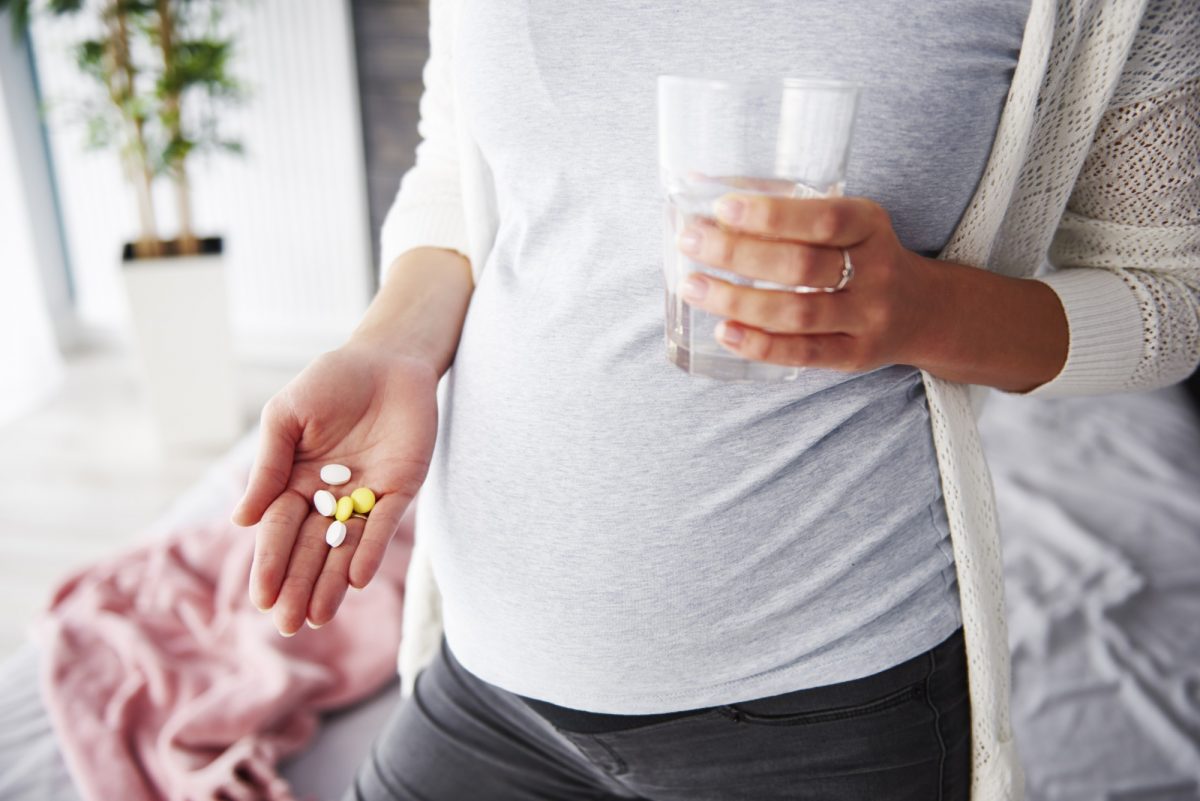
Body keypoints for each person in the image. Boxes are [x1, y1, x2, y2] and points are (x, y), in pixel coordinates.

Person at [230, 0, 1199, 798]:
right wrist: (390, 347)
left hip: (822, 713)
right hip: (487, 677)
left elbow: (1173, 297)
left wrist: (925, 311)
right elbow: (468, 160)